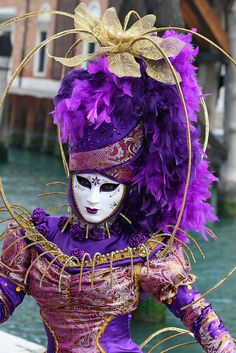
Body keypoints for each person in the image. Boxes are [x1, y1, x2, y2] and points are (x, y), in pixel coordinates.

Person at [0, 3, 235, 353]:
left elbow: (199, 316)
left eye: (108, 187)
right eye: (85, 183)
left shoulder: (142, 252)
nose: (94, 199)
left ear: (126, 189)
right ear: (71, 178)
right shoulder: (34, 242)